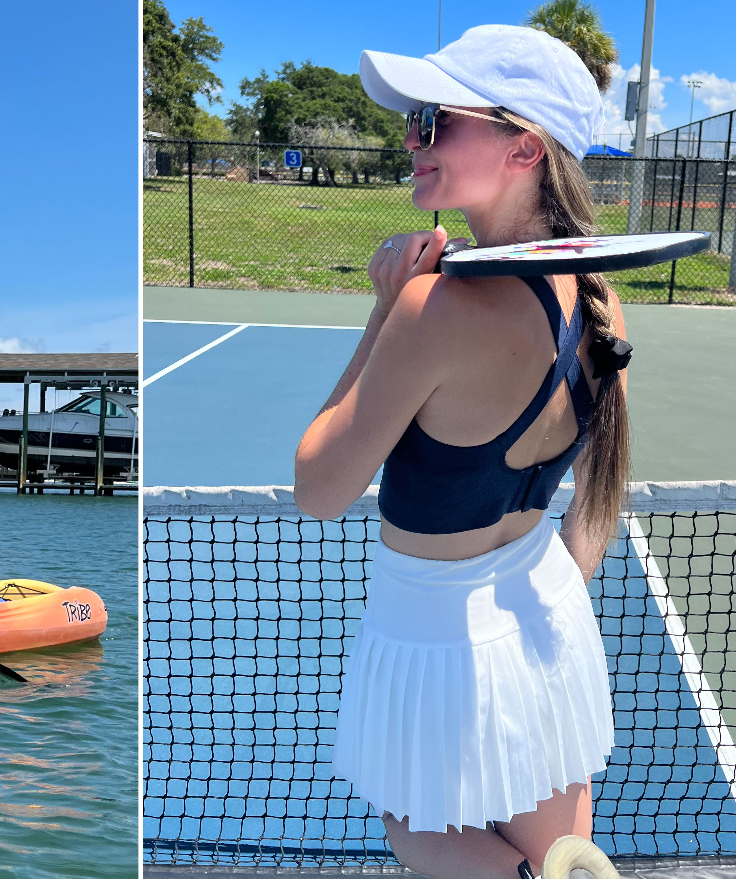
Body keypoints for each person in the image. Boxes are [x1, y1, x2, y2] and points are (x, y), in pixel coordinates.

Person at [293, 25, 632, 879]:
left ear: (523, 148)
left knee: (414, 826)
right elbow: (599, 497)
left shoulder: (432, 310)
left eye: (436, 120)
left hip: (431, 631)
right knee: (563, 854)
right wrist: (535, 591)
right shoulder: (602, 299)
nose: (413, 141)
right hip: (550, 613)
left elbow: (319, 486)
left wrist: (385, 308)